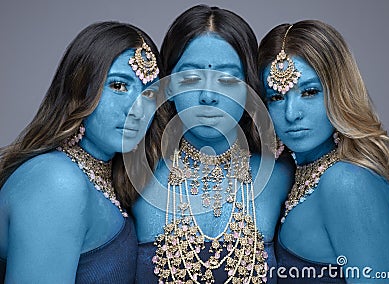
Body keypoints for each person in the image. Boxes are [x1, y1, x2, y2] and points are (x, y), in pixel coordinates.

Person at [132, 5, 294, 283]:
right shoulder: (133, 172)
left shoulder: (282, 175)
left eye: (228, 78)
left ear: (249, 89)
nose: (208, 95)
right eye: (192, 77)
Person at [0, 21, 163, 283]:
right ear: (79, 89)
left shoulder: (108, 180)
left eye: (149, 93)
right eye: (118, 86)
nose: (136, 108)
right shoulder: (56, 181)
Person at [258, 20, 389, 283]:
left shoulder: (349, 181)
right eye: (276, 98)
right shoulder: (293, 172)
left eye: (309, 92)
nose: (292, 114)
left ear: (338, 91)